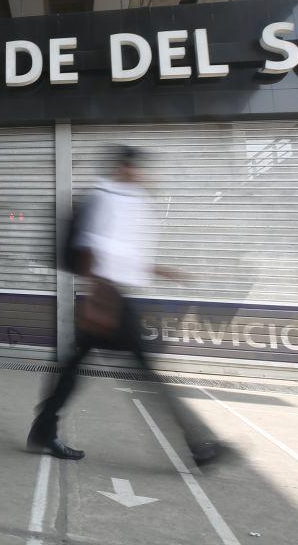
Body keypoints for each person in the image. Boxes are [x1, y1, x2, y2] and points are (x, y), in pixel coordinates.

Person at [28, 145, 223, 466]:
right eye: (136, 168)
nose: (142, 174)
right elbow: (91, 247)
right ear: (122, 168)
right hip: (107, 299)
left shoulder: (126, 201)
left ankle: (43, 429)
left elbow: (122, 255)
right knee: (144, 371)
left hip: (108, 297)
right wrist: (94, 303)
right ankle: (198, 443)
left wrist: (162, 271)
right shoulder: (107, 197)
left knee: (74, 369)